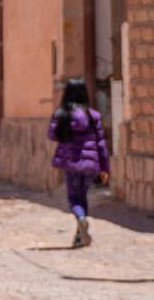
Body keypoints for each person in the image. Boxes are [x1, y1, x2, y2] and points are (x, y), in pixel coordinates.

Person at [48, 77, 111, 248]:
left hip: (70, 164)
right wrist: (105, 168)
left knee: (74, 198)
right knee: (83, 197)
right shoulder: (93, 116)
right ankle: (80, 235)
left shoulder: (61, 115)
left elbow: (52, 135)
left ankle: (81, 219)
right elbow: (101, 144)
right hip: (90, 165)